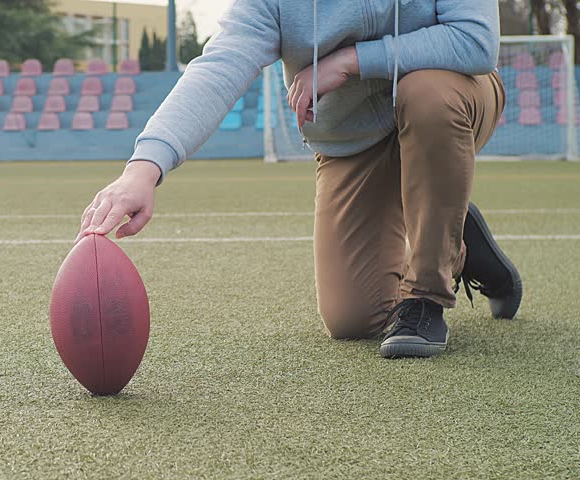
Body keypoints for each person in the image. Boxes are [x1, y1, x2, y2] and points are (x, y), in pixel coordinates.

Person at [77, 0, 522, 358]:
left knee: (426, 94)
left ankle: (428, 292)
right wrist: (144, 168)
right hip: (352, 142)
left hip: (449, 99)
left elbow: (474, 39)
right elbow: (220, 65)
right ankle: (452, 235)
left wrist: (352, 60)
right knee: (353, 319)